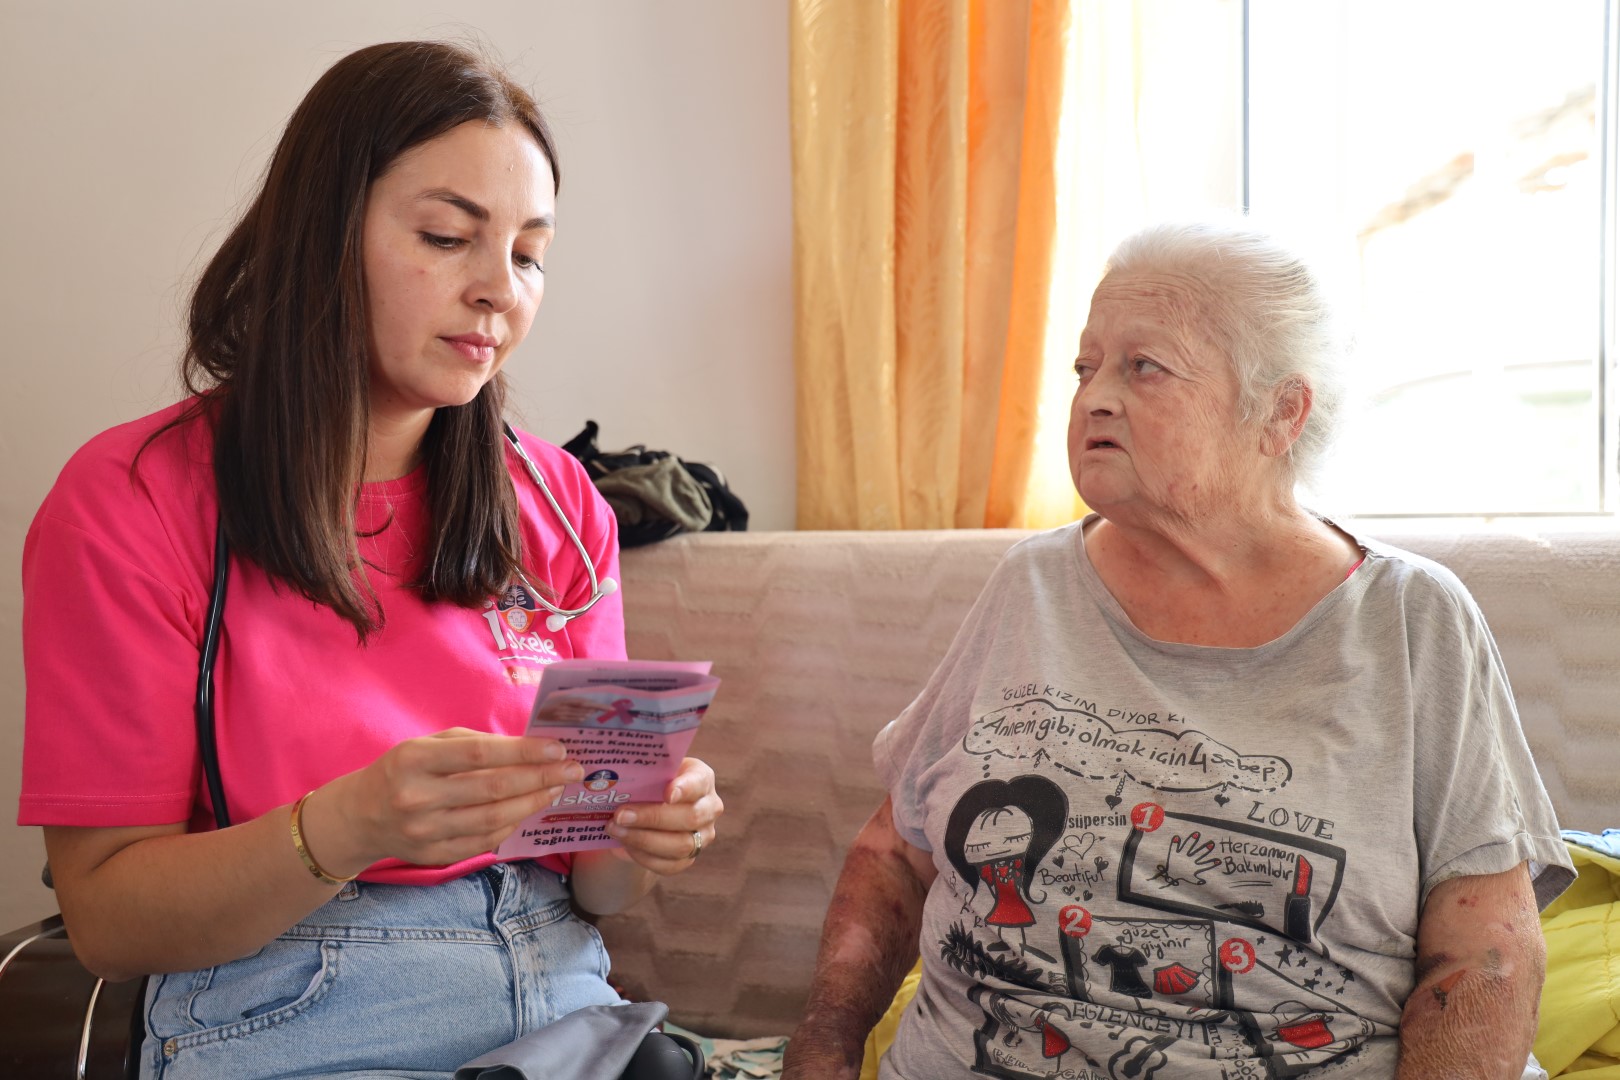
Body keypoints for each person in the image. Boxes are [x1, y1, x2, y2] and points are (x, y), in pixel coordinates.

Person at [18, 40, 722, 1080]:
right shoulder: (132, 498)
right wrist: (343, 827)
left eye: (530, 254)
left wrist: (643, 836)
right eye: (447, 236)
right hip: (288, 1012)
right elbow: (109, 922)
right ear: (321, 235)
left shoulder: (561, 505)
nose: (499, 290)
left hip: (563, 999)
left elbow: (595, 885)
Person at [783, 222, 1574, 1079]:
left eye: (1143, 367)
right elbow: (895, 853)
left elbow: (1485, 959)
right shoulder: (1029, 584)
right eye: (1085, 368)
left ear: (1280, 412)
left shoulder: (1411, 620)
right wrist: (821, 1050)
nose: (1095, 399)